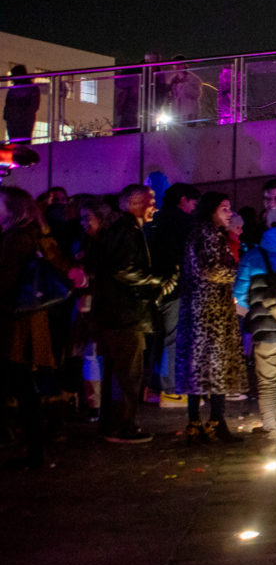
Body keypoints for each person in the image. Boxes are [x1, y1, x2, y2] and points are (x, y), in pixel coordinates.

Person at [86, 184, 167, 444]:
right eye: (149, 201)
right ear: (133, 204)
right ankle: (123, 427)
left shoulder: (119, 230)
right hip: (125, 315)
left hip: (117, 314)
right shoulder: (127, 231)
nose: (154, 206)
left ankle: (112, 425)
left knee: (120, 372)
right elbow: (124, 270)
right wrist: (156, 280)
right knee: (127, 374)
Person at [0, 187, 73, 466]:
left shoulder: (15, 239)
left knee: (20, 384)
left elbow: (5, 280)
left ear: (13, 210)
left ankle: (34, 450)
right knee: (26, 385)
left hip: (14, 323)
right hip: (31, 319)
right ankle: (35, 447)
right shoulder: (36, 234)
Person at [171, 192, 247, 444]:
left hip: (204, 307)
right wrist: (237, 270)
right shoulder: (207, 233)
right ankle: (211, 421)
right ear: (211, 210)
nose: (229, 213)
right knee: (211, 363)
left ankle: (203, 420)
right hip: (209, 310)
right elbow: (211, 269)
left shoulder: (207, 233)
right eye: (224, 208)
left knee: (203, 365)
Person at [235, 204, 276, 437]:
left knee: (267, 385)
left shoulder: (254, 256)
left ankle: (273, 432)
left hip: (264, 331)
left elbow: (239, 296)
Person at [148, 184, 201, 402]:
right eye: (193, 203)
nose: (194, 208)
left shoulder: (155, 222)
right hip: (177, 287)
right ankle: (170, 389)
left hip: (156, 288)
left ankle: (154, 386)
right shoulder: (184, 224)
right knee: (175, 338)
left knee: (159, 339)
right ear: (183, 200)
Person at [5, 65, 40, 142]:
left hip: (22, 121)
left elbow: (33, 106)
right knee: (16, 141)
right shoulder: (15, 89)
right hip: (15, 121)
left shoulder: (30, 88)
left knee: (22, 141)